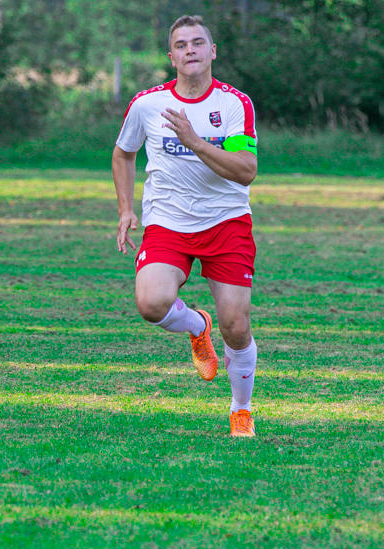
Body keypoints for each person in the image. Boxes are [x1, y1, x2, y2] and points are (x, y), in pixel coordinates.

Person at [112, 15, 260, 437]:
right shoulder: (147, 104)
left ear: (213, 52)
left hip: (225, 222)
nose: (190, 50)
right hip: (168, 222)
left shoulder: (233, 104)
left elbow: (246, 170)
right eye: (181, 44)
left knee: (237, 324)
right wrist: (125, 209)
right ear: (171, 56)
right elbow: (123, 154)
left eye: (198, 43)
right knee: (151, 304)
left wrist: (196, 141)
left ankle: (240, 409)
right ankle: (197, 325)